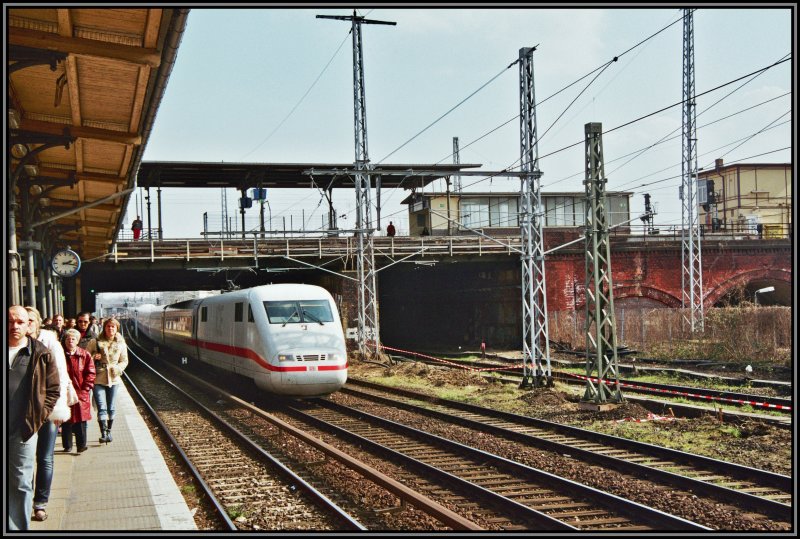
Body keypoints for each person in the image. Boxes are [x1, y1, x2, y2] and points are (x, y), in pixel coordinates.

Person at [8, 306, 60, 531]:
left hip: (24, 428)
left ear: (29, 325)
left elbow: (53, 389)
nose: (14, 326)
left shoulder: (40, 352)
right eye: (10, 321)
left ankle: (18, 528)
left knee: (21, 482)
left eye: (20, 321)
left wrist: (38, 417)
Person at [25, 307, 73, 523]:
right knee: (23, 459)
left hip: (47, 408)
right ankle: (23, 501)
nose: (25, 326)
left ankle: (40, 504)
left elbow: (61, 376)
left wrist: (58, 408)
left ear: (36, 323)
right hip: (22, 411)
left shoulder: (50, 342)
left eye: (29, 321)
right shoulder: (14, 343)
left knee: (44, 457)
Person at [86, 318, 128, 443]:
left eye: (113, 327)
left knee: (111, 407)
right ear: (104, 328)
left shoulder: (121, 343)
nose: (110, 329)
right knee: (101, 406)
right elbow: (86, 358)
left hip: (114, 378)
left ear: (116, 329)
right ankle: (103, 432)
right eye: (108, 326)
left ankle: (109, 431)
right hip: (98, 378)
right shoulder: (95, 342)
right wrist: (94, 357)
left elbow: (124, 360)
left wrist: (118, 368)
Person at [61, 329, 96, 454]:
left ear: (77, 341)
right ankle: (67, 445)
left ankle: (81, 445)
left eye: (73, 339)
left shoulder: (84, 355)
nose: (70, 341)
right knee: (65, 419)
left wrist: (86, 388)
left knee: (80, 420)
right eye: (68, 339)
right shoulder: (60, 355)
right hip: (65, 390)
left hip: (80, 391)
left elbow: (90, 372)